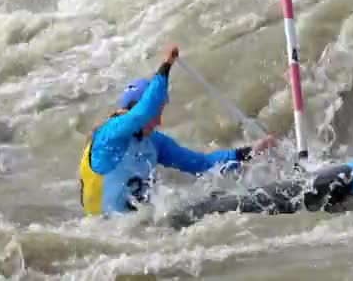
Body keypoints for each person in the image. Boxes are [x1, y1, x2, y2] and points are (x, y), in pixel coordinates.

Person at [78, 44, 277, 216]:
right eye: (157, 113)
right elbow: (142, 113)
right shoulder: (110, 134)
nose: (158, 121)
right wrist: (166, 65)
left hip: (139, 226)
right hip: (106, 230)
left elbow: (201, 163)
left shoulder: (155, 143)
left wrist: (248, 153)